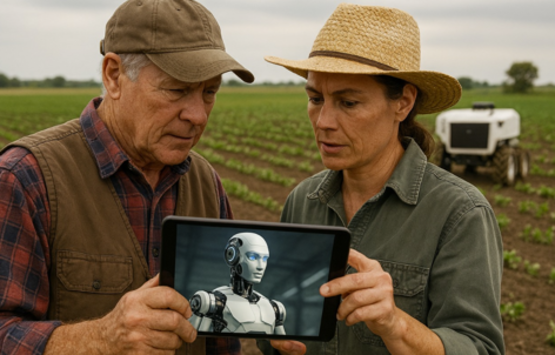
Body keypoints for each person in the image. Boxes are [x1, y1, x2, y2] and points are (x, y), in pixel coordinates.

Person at [0, 0, 254, 354]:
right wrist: (102, 338)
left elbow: (221, 343)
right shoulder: (26, 178)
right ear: (114, 75)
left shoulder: (205, 184)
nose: (197, 115)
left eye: (209, 92)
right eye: (177, 89)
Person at [258, 4, 504, 355]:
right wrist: (274, 335)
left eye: (348, 102)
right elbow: (272, 334)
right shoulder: (303, 200)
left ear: (402, 103)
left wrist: (394, 323)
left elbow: (479, 346)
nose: (323, 120)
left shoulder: (459, 214)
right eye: (315, 99)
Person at [189, 233, 287, 334]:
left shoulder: (274, 308)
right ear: (232, 256)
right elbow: (191, 342)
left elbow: (283, 347)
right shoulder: (213, 302)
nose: (260, 266)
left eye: (265, 259)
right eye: (253, 257)